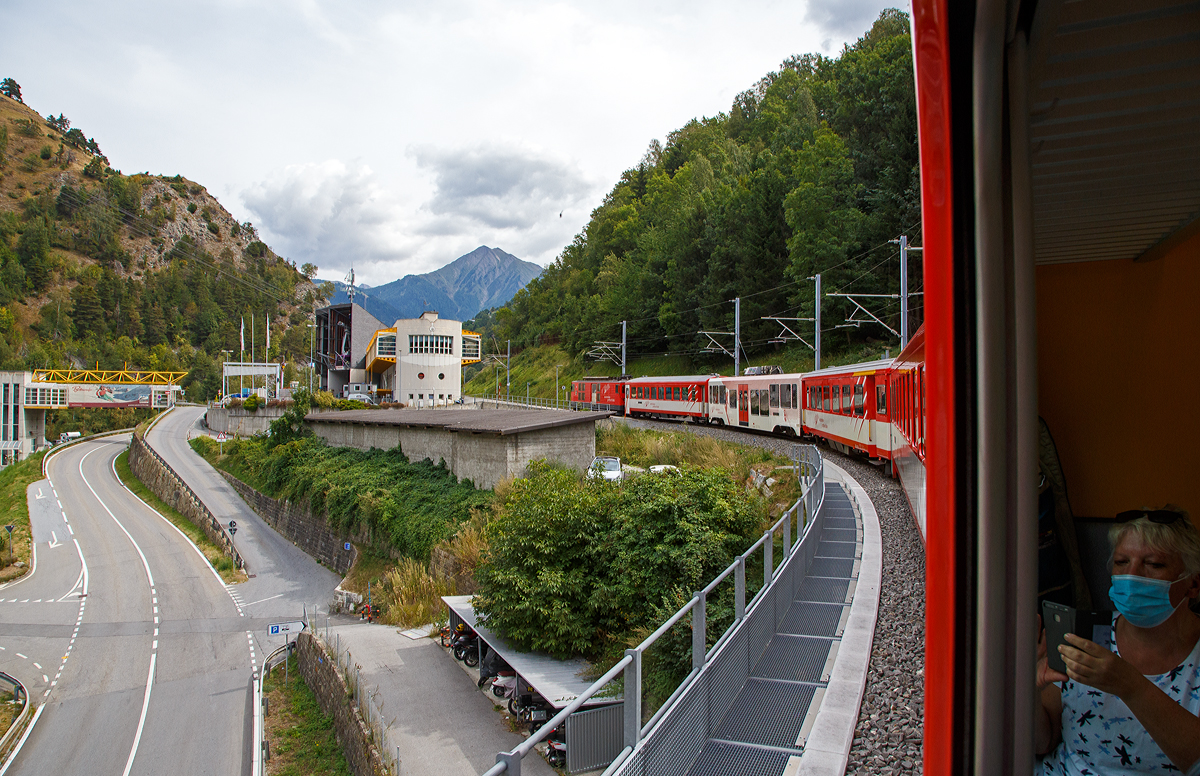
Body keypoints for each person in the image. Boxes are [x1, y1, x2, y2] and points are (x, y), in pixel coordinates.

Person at [1036, 507, 1200, 775]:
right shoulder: (1084, 632)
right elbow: (1044, 741)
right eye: (1122, 562)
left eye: (1154, 564)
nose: (1132, 575)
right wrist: (1029, 692)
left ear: (1193, 584)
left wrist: (1130, 686)